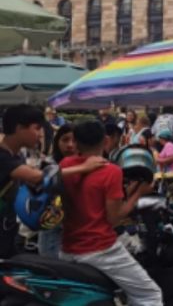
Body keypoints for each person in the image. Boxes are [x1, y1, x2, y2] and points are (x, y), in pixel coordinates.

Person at [60, 121, 162, 305]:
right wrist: (139, 192)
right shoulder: (110, 172)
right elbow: (114, 218)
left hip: (68, 248)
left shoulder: (67, 165)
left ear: (74, 141)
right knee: (150, 295)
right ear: (106, 140)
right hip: (99, 249)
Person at [0, 106, 106, 259]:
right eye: (36, 128)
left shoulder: (15, 155)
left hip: (7, 229)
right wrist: (83, 167)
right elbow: (37, 177)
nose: (40, 134)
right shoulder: (3, 157)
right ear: (19, 128)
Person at [38, 123, 77, 258]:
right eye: (65, 140)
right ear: (57, 142)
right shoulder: (48, 164)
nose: (70, 145)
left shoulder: (87, 164)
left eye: (74, 140)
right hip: (52, 229)